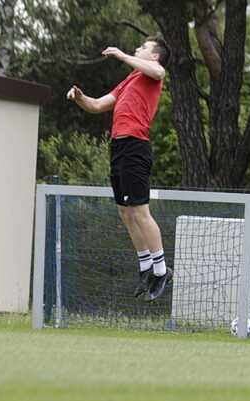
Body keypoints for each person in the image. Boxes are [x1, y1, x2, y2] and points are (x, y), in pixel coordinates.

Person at [67, 37, 173, 301]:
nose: (138, 49)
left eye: (143, 48)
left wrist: (124, 55)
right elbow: (96, 105)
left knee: (139, 211)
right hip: (119, 149)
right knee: (125, 212)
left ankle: (161, 270)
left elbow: (159, 71)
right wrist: (80, 97)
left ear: (154, 56)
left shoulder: (153, 74)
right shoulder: (129, 80)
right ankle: (146, 267)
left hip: (136, 147)